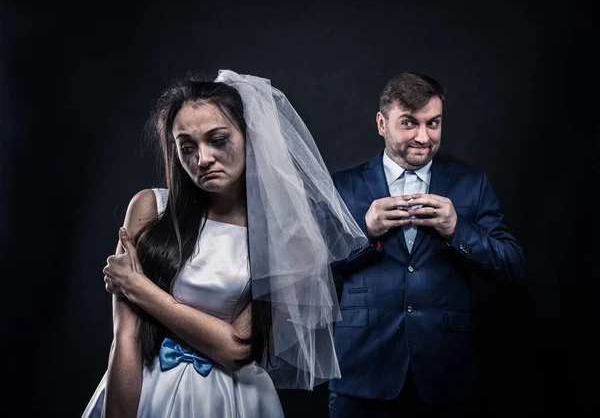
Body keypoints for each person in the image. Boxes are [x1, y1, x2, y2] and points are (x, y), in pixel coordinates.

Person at [81, 69, 367, 418]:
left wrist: (140, 289)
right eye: (187, 147)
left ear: (252, 138)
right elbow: (126, 337)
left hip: (233, 399)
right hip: (146, 389)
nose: (202, 159)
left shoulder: (291, 240)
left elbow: (238, 348)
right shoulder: (149, 208)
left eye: (217, 140)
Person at [327, 72, 525, 417]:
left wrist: (457, 230)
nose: (423, 136)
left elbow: (512, 263)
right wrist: (365, 231)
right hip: (361, 371)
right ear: (381, 123)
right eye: (409, 123)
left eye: (433, 123)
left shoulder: (471, 185)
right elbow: (311, 269)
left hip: (445, 374)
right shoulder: (340, 187)